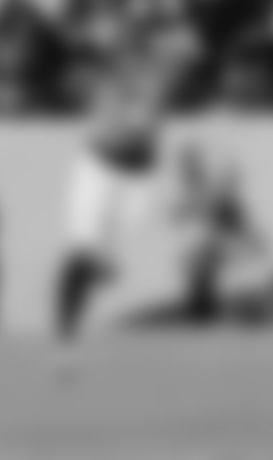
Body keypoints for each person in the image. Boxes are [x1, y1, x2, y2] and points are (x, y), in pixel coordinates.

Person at [52, 57, 184, 363]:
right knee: (81, 251)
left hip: (139, 177)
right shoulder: (105, 74)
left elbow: (167, 81)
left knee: (113, 256)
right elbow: (75, 78)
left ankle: (101, 266)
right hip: (98, 166)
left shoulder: (158, 72)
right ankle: (64, 338)